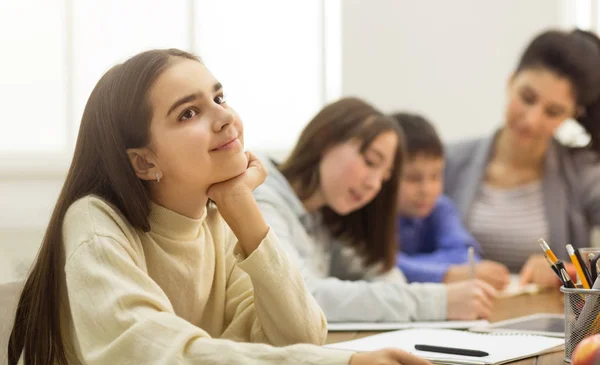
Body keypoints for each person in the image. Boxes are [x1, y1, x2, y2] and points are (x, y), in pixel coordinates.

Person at [6, 49, 428, 365]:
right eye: (188, 113)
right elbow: (159, 355)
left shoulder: (218, 223)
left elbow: (299, 336)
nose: (225, 119)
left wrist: (241, 205)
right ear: (144, 161)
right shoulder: (97, 224)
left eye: (220, 98)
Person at [253, 97, 496, 324]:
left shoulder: (321, 213)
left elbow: (379, 271)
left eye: (385, 177)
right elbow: (301, 296)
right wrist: (435, 301)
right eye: (370, 162)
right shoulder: (261, 198)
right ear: (324, 139)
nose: (374, 185)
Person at [445, 29, 600, 287]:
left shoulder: (582, 173)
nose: (532, 120)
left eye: (553, 111)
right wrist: (445, 273)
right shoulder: (449, 162)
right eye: (527, 98)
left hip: (546, 321)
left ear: (572, 114)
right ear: (510, 82)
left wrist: (570, 271)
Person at [392, 112, 510, 290]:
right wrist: (448, 274)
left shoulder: (440, 207)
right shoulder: (373, 215)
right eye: (413, 178)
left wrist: (414, 267)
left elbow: (466, 255)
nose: (427, 189)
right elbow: (381, 267)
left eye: (436, 176)